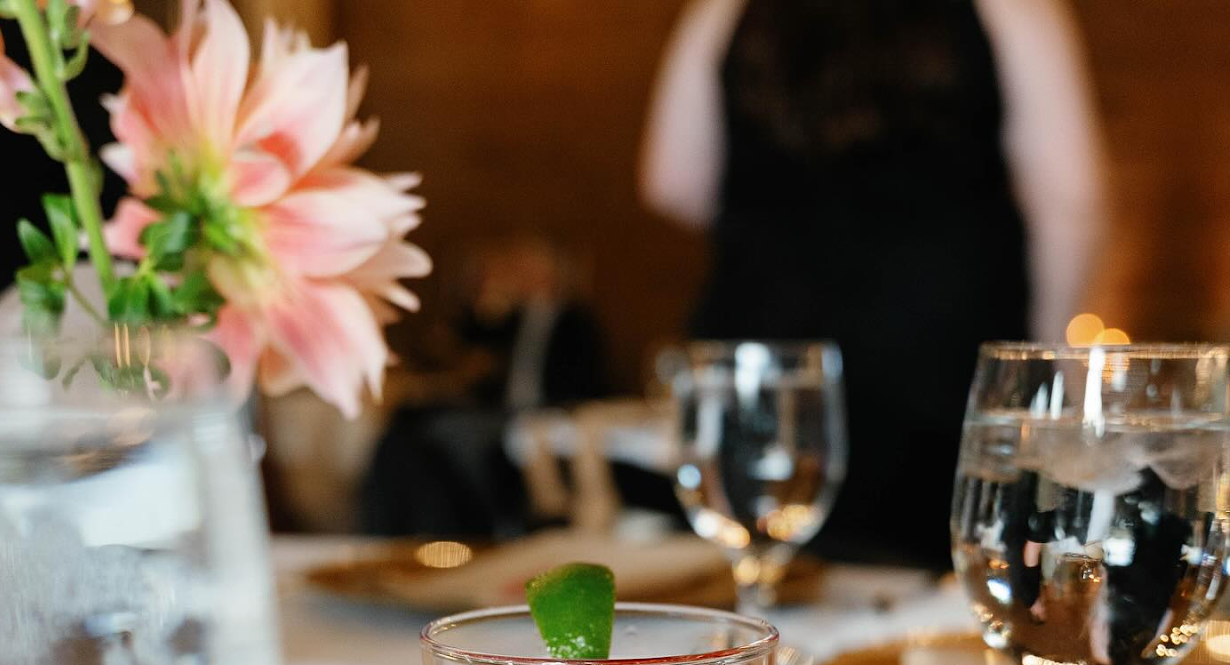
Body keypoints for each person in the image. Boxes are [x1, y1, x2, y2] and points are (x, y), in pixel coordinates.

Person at [639, 0, 1107, 567]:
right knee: (943, 616)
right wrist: (1044, 363)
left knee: (764, 598)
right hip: (945, 374)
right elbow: (1070, 199)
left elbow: (673, 181)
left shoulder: (725, 9)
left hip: (767, 382)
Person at [360, 235, 609, 541]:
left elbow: (586, 379)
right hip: (499, 410)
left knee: (457, 438)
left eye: (528, 270)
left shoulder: (575, 322)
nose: (520, 277)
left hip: (543, 411)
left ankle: (474, 526)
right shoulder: (512, 319)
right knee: (405, 426)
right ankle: (394, 526)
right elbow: (463, 345)